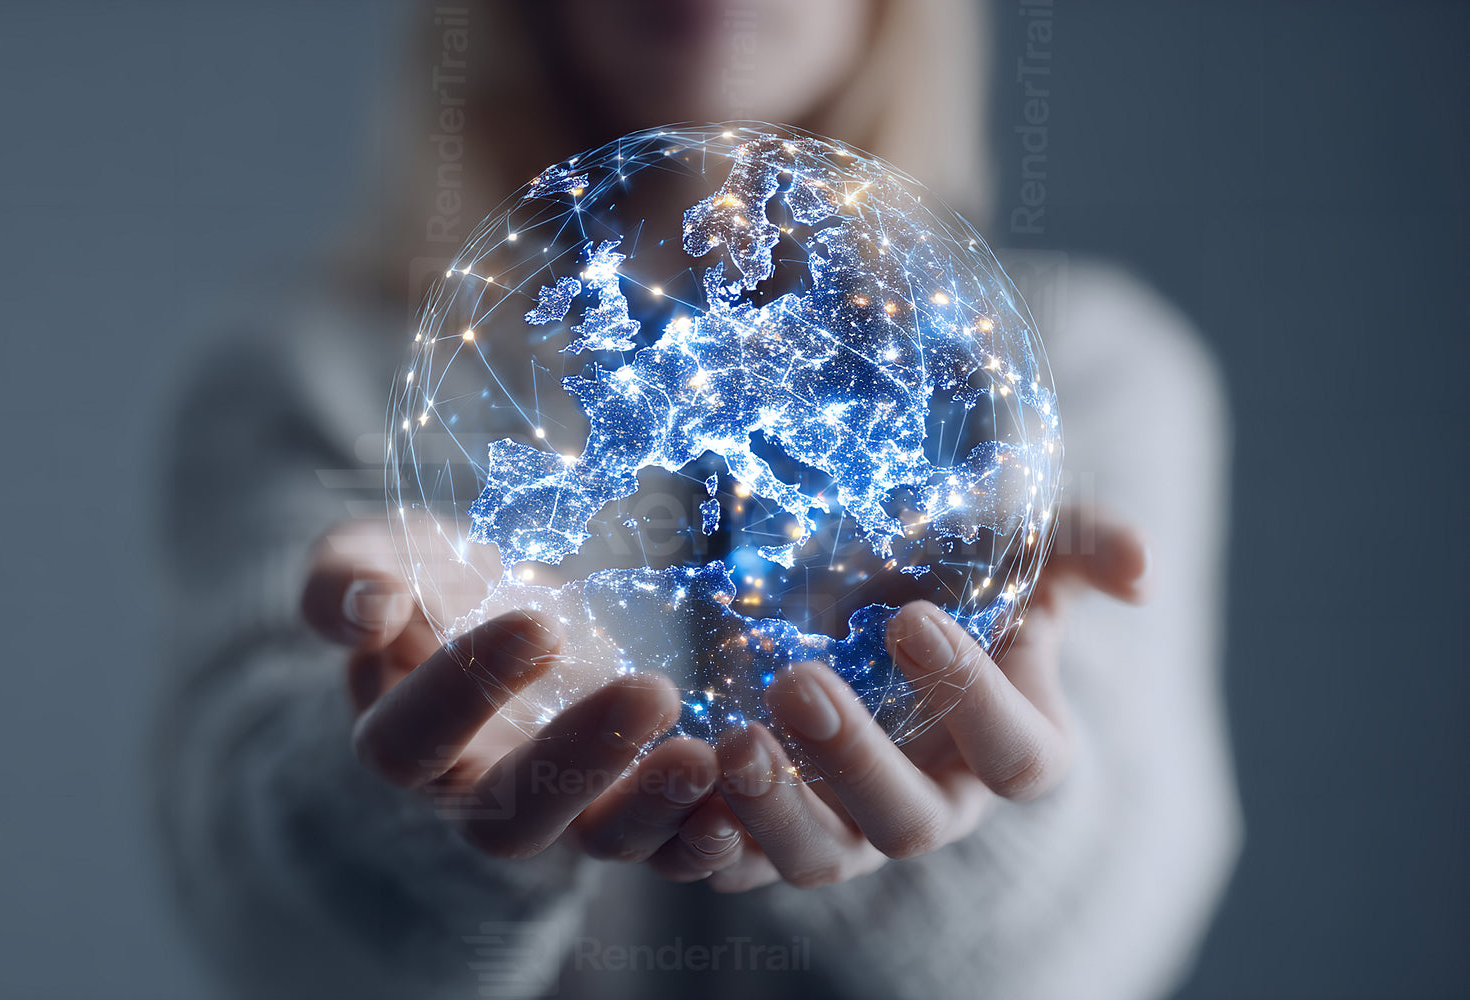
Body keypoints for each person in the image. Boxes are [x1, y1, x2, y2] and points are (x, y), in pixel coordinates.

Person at [157, 2, 1240, 997]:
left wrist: (975, 838)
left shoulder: (1086, 369)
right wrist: (397, 812)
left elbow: (1109, 940)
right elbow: (265, 926)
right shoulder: (312, 367)